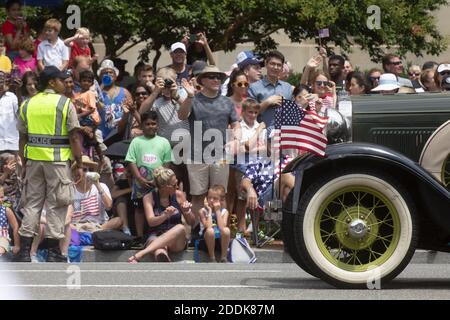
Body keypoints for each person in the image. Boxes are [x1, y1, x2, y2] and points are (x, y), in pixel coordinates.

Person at [14, 66, 83, 262]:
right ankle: (54, 252)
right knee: (57, 205)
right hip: (58, 162)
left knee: (32, 205)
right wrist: (78, 163)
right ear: (52, 82)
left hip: (34, 161)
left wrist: (24, 161)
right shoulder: (64, 103)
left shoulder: (28, 104)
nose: (66, 83)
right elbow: (74, 137)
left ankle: (25, 252)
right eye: (62, 80)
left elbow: (22, 137)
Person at [178, 65, 240, 225]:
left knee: (220, 195)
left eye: (218, 77)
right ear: (203, 80)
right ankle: (196, 232)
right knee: (198, 195)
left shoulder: (227, 102)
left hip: (221, 155)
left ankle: (221, 231)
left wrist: (235, 140)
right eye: (211, 76)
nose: (216, 79)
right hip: (196, 155)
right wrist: (190, 96)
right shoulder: (194, 99)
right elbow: (182, 115)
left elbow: (235, 124)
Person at [139, 67, 192, 197]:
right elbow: (142, 112)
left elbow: (192, 112)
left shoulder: (185, 95)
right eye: (163, 83)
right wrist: (155, 92)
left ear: (176, 82)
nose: (167, 87)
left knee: (191, 185)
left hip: (188, 148)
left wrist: (176, 95)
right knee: (171, 183)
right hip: (169, 150)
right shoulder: (156, 102)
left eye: (170, 82)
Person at [127, 167, 195, 262]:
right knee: (160, 252)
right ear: (165, 187)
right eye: (174, 184)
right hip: (155, 235)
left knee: (181, 228)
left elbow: (191, 222)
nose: (177, 186)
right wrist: (165, 215)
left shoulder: (179, 195)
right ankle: (165, 269)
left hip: (176, 240)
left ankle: (141, 254)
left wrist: (187, 211)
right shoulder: (148, 197)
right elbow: (151, 221)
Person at [125, 111, 173, 238]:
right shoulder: (136, 141)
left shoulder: (164, 142)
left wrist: (162, 180)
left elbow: (167, 162)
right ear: (141, 126)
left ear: (158, 125)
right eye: (147, 124)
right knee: (140, 208)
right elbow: (131, 160)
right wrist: (139, 178)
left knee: (158, 207)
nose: (151, 126)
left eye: (153, 124)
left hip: (158, 183)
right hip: (140, 182)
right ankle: (140, 236)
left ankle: (161, 233)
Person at [69, 155, 122, 233]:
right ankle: (89, 234)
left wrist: (97, 185)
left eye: (90, 170)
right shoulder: (70, 189)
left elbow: (109, 206)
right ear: (76, 172)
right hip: (77, 225)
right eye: (84, 169)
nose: (87, 172)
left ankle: (92, 233)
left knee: (118, 220)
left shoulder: (101, 186)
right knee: (64, 224)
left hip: (99, 225)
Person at [248, 50, 293, 130]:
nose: (275, 67)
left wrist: (286, 104)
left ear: (282, 68)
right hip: (262, 135)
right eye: (272, 64)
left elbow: (293, 114)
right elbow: (249, 114)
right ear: (266, 64)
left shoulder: (288, 87)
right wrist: (267, 102)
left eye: (279, 65)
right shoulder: (254, 87)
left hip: (283, 135)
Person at [97, 59, 133, 140]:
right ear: (100, 76)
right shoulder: (96, 92)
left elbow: (131, 113)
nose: (108, 74)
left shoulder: (125, 92)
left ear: (116, 76)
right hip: (101, 136)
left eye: (111, 72)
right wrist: (102, 84)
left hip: (119, 135)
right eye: (105, 73)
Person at [198, 185, 230, 262]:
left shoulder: (224, 212)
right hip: (206, 242)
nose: (211, 200)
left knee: (226, 230)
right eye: (209, 197)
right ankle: (212, 258)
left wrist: (218, 211)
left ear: (221, 200)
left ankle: (223, 257)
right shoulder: (202, 211)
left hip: (220, 242)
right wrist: (209, 210)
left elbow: (222, 227)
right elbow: (208, 227)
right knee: (210, 231)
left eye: (215, 198)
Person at [0, 71, 19, 154]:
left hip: (12, 143)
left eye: (5, 81)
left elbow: (19, 115)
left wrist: (18, 91)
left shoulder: (12, 96)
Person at [0, 186, 20, 257]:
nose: (1, 200)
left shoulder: (6, 210)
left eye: (2, 197)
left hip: (2, 237)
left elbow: (15, 226)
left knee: (1, 248)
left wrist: (17, 245)